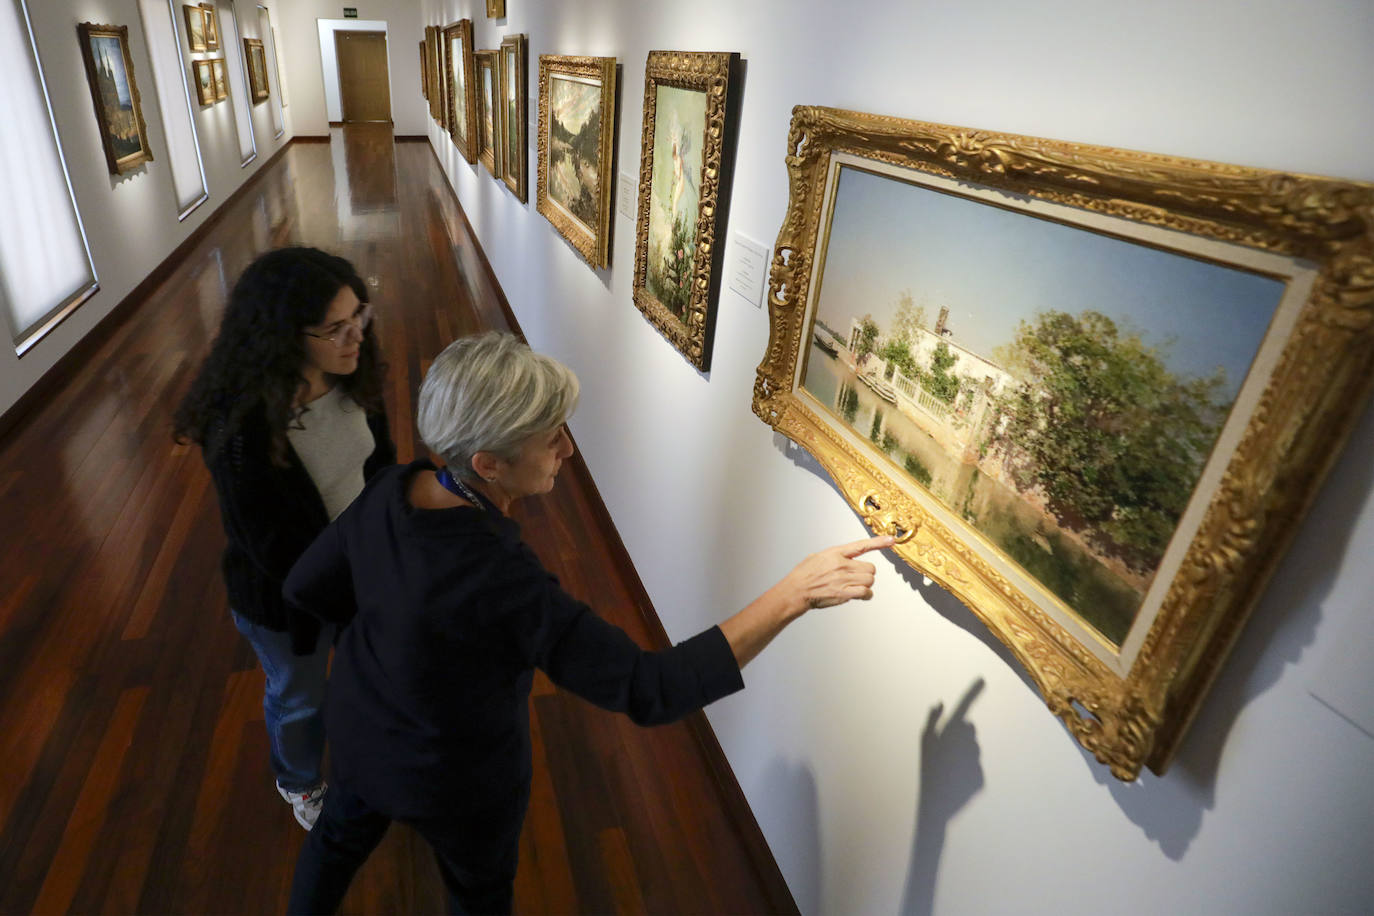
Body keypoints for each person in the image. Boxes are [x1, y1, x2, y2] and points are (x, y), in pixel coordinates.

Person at [283, 331, 892, 914]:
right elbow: (650, 689)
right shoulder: (504, 580)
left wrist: (390, 649)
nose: (568, 450)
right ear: (489, 464)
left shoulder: (397, 485)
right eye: (551, 440)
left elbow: (307, 585)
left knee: (336, 842)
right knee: (477, 892)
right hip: (456, 784)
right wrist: (796, 592)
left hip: (359, 731)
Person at [172, 246, 395, 830]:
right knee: (300, 698)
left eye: (359, 319)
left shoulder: (353, 378)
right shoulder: (241, 426)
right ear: (283, 336)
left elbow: (382, 467)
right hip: (285, 599)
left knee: (363, 677)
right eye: (335, 329)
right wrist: (356, 587)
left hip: (358, 571)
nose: (356, 338)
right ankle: (298, 782)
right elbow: (271, 549)